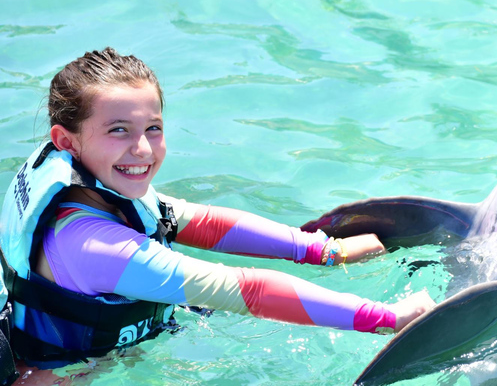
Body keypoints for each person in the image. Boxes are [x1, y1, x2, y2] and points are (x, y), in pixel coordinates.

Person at [0, 48, 435, 373]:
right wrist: (387, 318)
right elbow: (247, 292)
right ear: (65, 140)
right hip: (67, 375)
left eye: (153, 127)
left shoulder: (95, 183)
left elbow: (202, 223)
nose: (143, 149)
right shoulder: (92, 244)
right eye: (119, 131)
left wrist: (322, 251)